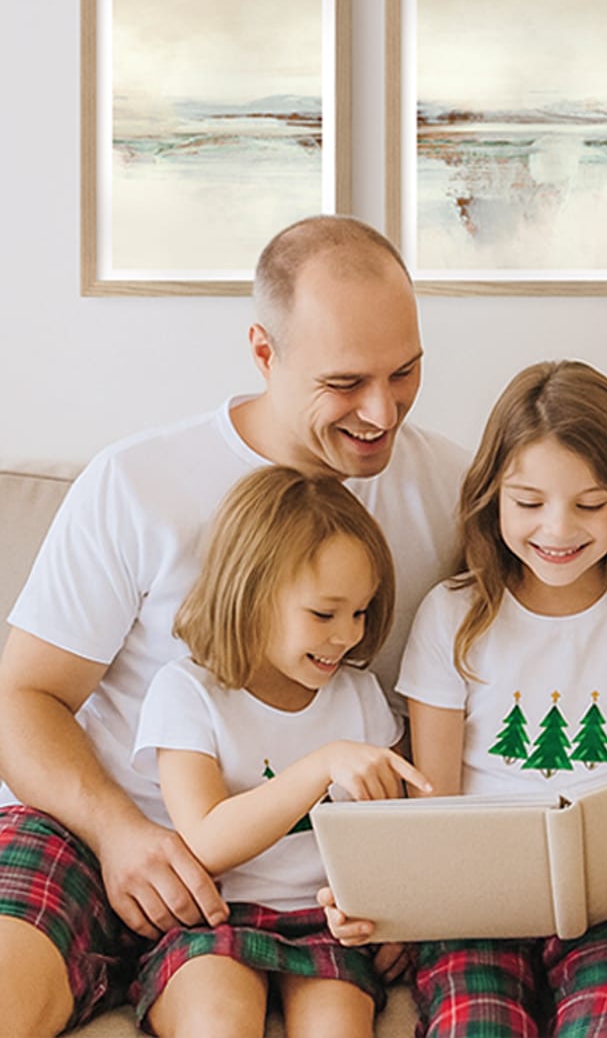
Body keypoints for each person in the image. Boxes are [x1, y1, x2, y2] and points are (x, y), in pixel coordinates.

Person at [0, 216, 466, 1037]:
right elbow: (24, 698)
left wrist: (414, 877)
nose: (380, 411)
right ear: (263, 352)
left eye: (405, 372)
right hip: (100, 822)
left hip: (298, 873)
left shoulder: (453, 490)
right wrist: (122, 835)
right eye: (346, 381)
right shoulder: (140, 484)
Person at [328, 360, 607, 1037]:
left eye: (590, 505)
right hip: (475, 901)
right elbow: (433, 796)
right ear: (492, 497)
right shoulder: (453, 614)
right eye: (529, 503)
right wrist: (407, 904)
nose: (557, 530)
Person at [131, 465, 433, 1036]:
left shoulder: (359, 695)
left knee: (338, 1027)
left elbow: (395, 834)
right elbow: (204, 840)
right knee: (217, 1021)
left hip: (327, 926)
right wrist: (321, 764)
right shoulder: (188, 692)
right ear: (250, 593)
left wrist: (391, 913)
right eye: (324, 614)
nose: (347, 635)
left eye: (360, 612)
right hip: (216, 920)